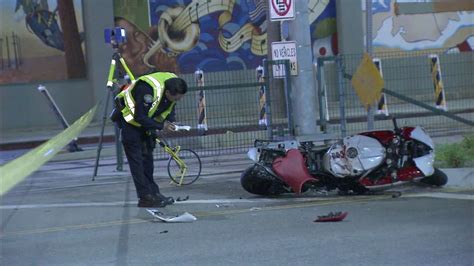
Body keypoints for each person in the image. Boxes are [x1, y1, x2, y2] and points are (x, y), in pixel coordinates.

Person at [113, 72, 187, 207]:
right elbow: (140, 116)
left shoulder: (171, 84)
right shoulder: (147, 90)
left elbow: (170, 107)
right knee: (137, 163)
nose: (176, 101)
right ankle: (145, 197)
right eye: (175, 98)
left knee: (148, 161)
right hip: (130, 124)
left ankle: (154, 193)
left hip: (146, 125)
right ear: (168, 92)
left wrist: (170, 121)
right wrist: (160, 126)